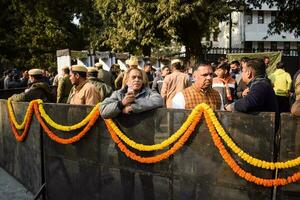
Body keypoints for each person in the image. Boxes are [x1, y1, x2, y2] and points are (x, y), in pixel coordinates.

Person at [100, 68, 163, 200]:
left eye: (139, 77)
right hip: (124, 145)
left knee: (147, 181)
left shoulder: (150, 93)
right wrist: (122, 104)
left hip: (145, 145)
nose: (137, 80)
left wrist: (133, 107)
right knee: (126, 181)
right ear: (126, 80)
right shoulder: (118, 94)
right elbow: (104, 111)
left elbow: (158, 101)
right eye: (133, 77)